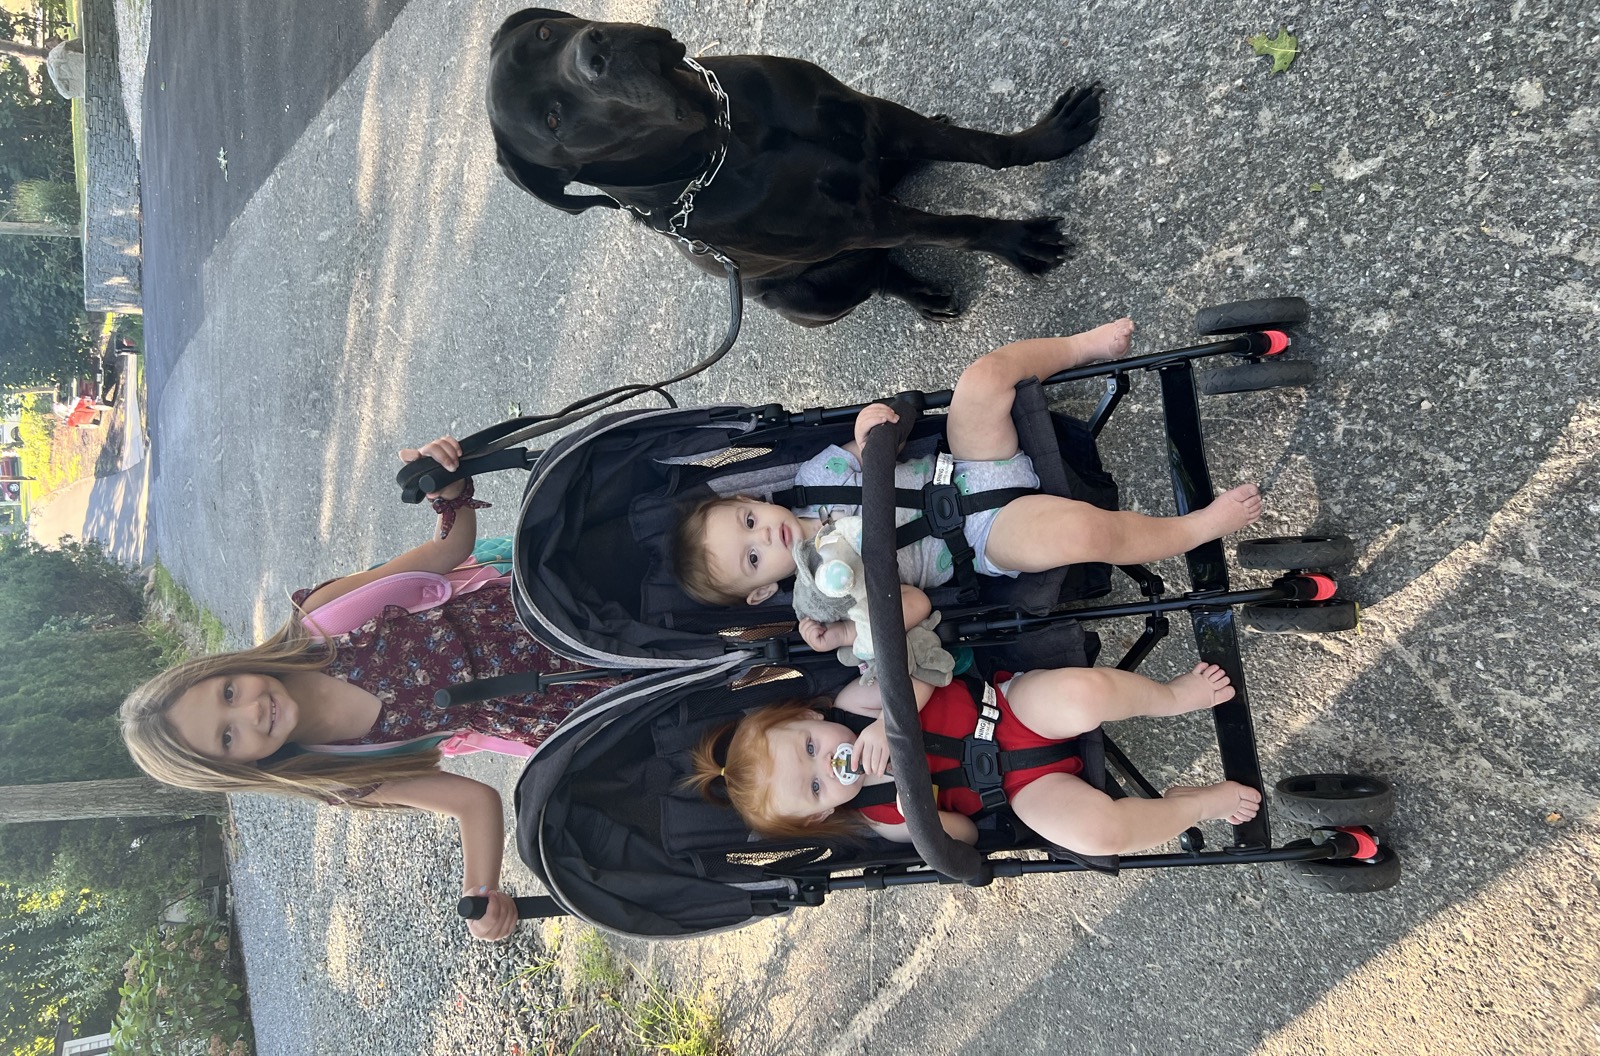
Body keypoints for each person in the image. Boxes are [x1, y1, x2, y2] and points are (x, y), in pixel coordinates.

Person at [120, 437, 614, 941]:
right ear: (236, 769)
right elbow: (472, 801)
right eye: (228, 738)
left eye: (227, 693)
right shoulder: (342, 771)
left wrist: (449, 492)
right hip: (561, 701)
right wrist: (482, 891)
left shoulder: (325, 624)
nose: (250, 711)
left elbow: (448, 549)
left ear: (226, 667)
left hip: (550, 601)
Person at [673, 319, 1263, 655]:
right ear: (759, 593)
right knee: (1081, 531)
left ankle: (1078, 348)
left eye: (747, 521)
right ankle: (1192, 529)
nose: (764, 536)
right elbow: (919, 605)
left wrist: (868, 428)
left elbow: (879, 439)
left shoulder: (811, 479)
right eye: (753, 558)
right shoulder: (833, 595)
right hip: (982, 537)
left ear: (749, 499)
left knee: (979, 380)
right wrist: (855, 629)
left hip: (965, 465)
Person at [686, 660, 1262, 853]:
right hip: (1018, 788)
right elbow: (962, 834)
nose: (827, 764)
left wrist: (892, 723)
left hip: (1007, 709)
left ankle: (1171, 696)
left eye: (811, 748)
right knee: (1097, 833)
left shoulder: (853, 704)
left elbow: (920, 676)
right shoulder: (883, 820)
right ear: (818, 815)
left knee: (1085, 695)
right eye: (815, 785)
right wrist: (922, 818)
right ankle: (1193, 806)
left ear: (812, 719)